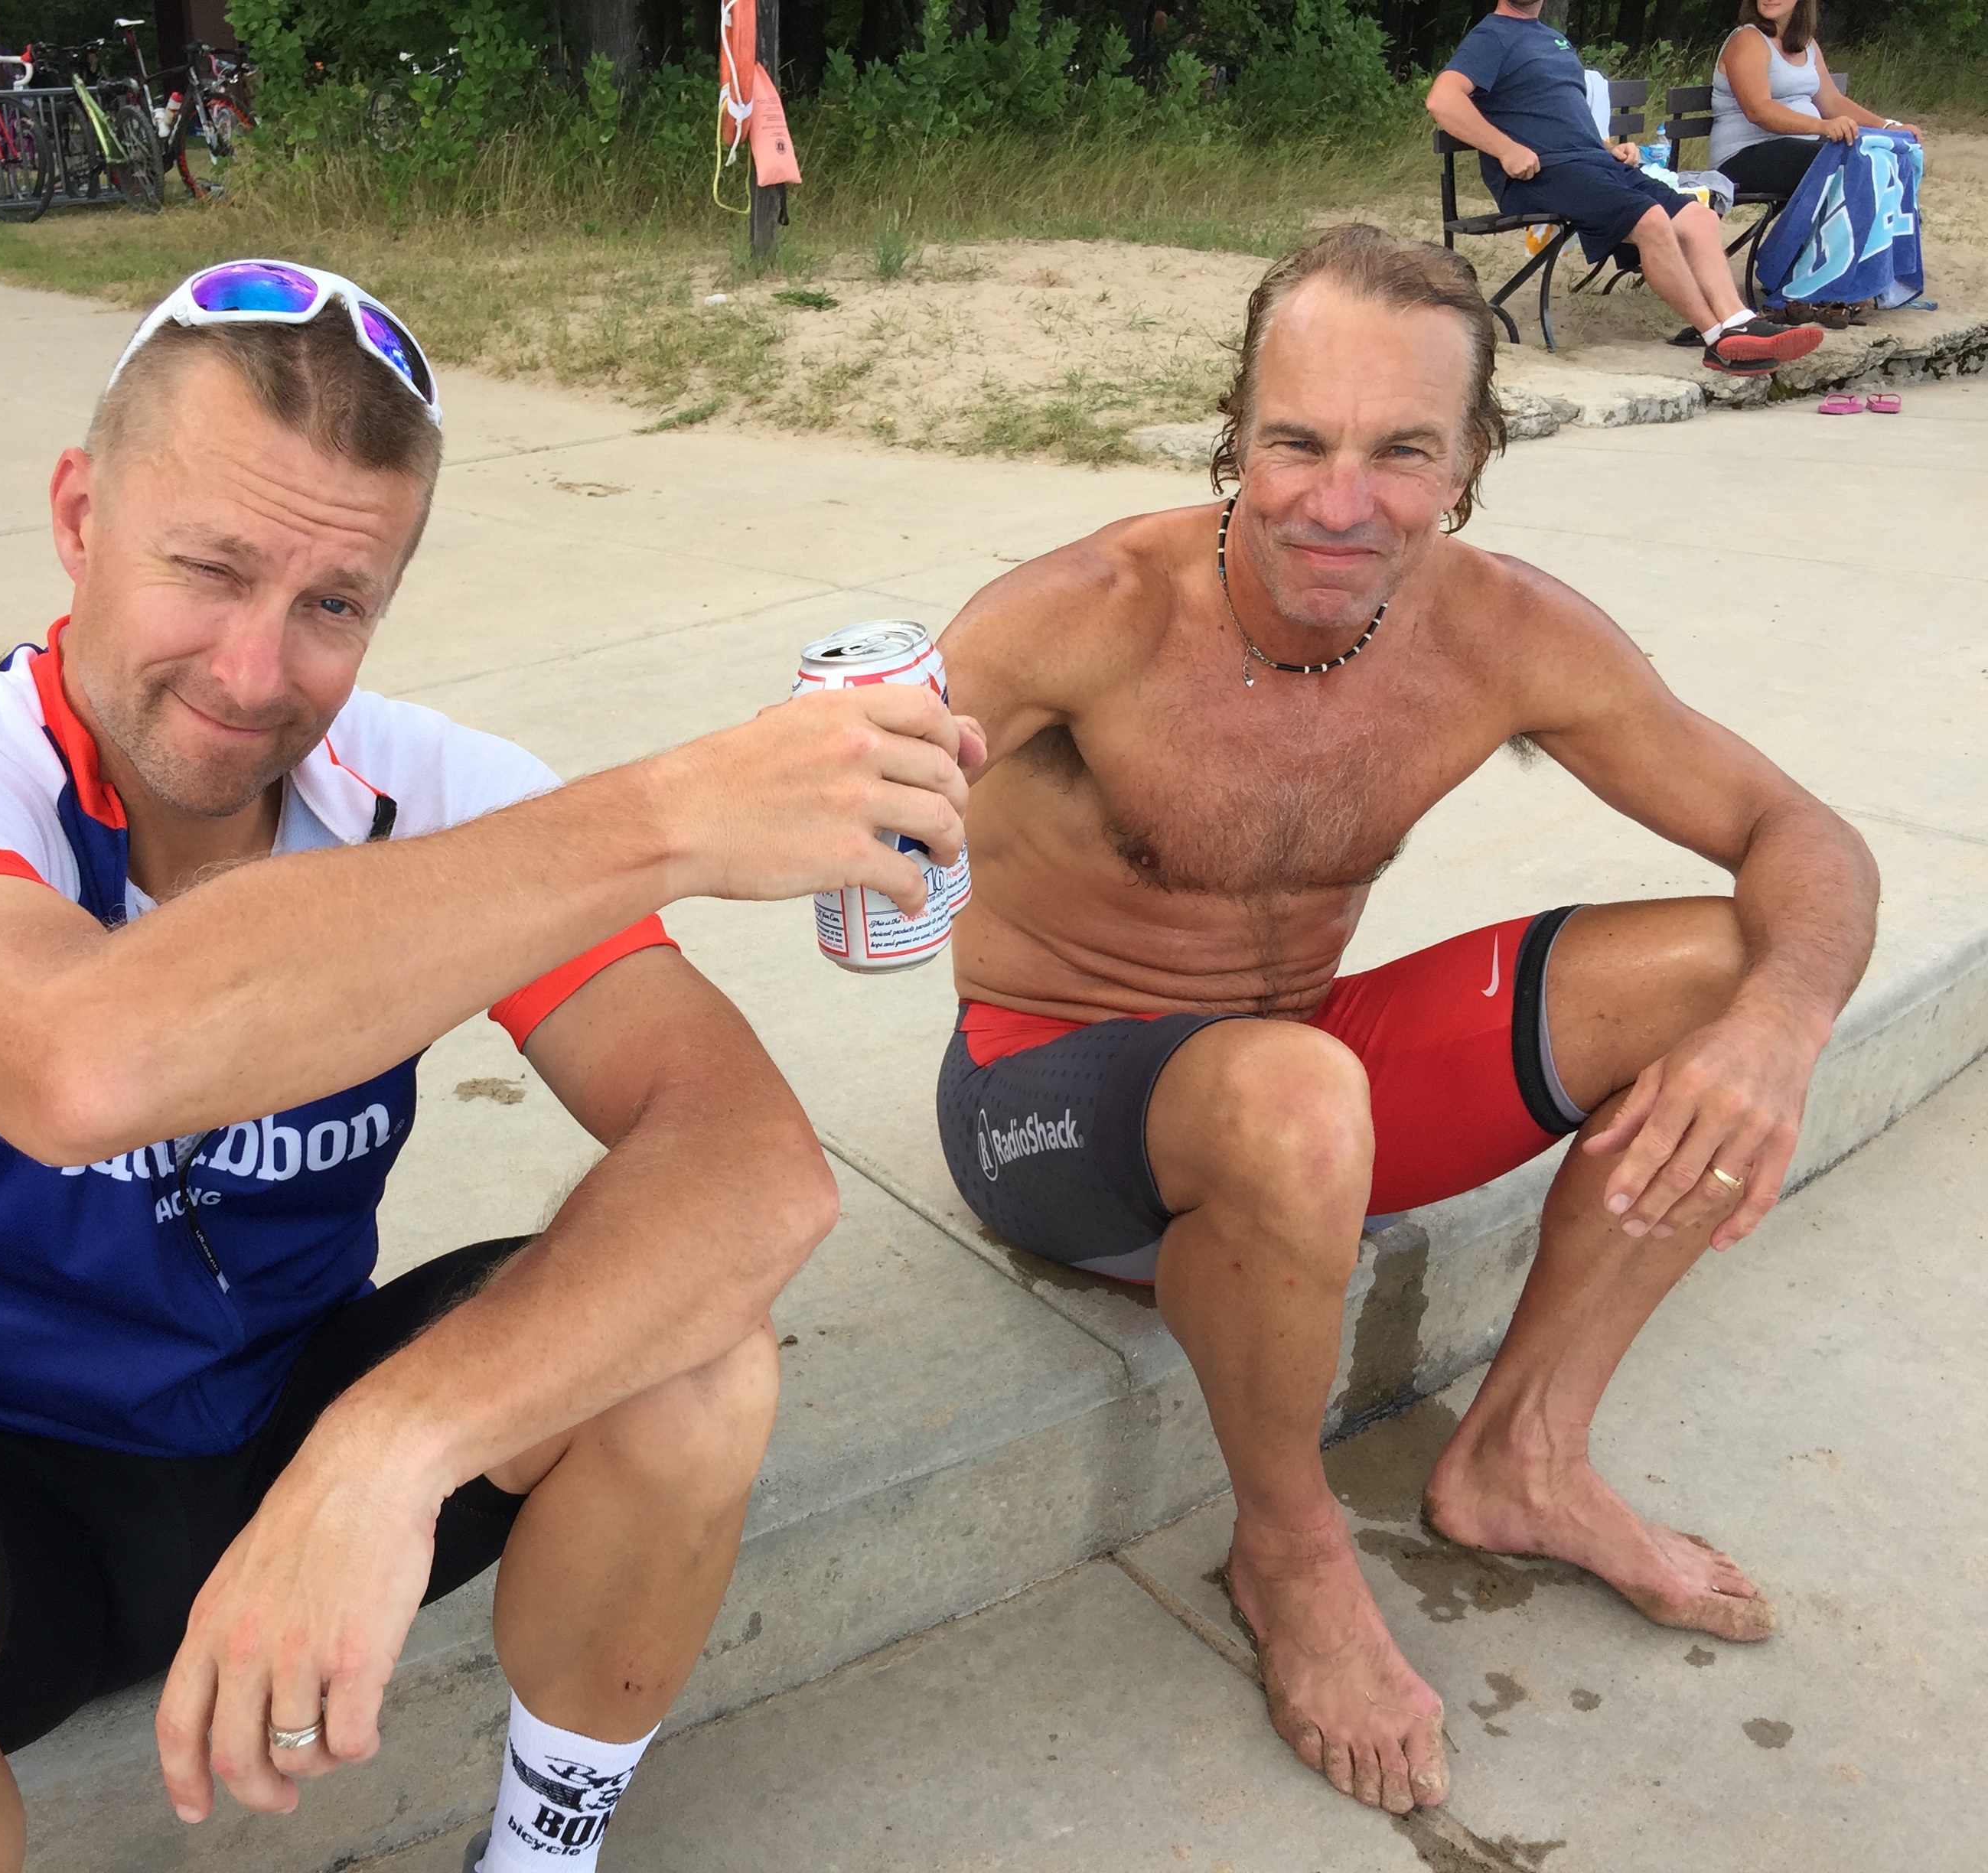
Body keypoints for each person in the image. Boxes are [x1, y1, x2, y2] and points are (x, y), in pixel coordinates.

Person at [0, 261, 979, 1873]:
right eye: (208, 569)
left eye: (334, 603)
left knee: (693, 1352)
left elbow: (752, 1169)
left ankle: (540, 1857)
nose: (255, 674)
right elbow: (80, 1060)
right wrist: (668, 818)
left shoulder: (432, 789)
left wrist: (387, 1447)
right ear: (78, 518)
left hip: (298, 1406)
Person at [931, 223, 1877, 1817]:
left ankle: (1525, 1455)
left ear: (1472, 458)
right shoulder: (1087, 611)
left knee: (1742, 964)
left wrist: (1781, 1023)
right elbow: (823, 775)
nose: (1337, 500)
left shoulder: (1500, 632)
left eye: (1399, 451)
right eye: (1296, 441)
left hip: (1303, 1085)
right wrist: (847, 794)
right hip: (1048, 1105)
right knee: (1292, 1094)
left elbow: (1804, 839)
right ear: (1235, 432)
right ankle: (1288, 1545)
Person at [1426, 0, 1822, 373]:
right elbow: (1442, 100)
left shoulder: (1554, 40)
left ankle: (1738, 322)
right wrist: (1506, 149)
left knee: (1698, 218)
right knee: (1651, 220)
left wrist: (1609, 148)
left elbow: (1564, 117)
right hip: (1543, 173)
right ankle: (1718, 338)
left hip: (1593, 164)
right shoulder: (1491, 36)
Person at [1713, 0, 1920, 205]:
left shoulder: (1807, 45)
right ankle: (1808, 229)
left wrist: (1887, 127)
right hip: (1744, 156)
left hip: (1800, 149)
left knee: (1882, 157)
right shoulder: (1747, 40)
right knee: (1849, 165)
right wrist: (1823, 126)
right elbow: (1758, 110)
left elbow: (1832, 102)